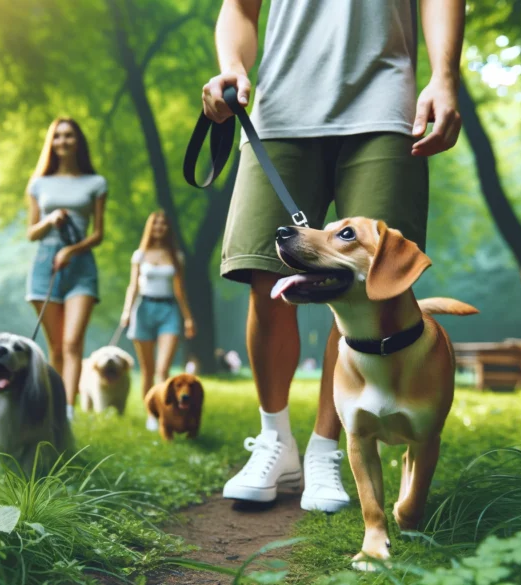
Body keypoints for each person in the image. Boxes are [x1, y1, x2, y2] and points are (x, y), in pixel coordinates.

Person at [202, 0, 465, 512]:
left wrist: (445, 77)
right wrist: (232, 64)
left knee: (368, 282)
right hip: (278, 112)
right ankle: (275, 440)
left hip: (387, 107)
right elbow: (240, 8)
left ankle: (327, 448)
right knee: (266, 277)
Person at [25, 118, 107, 421]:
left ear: (78, 141)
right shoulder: (38, 183)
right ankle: (54, 408)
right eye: (57, 136)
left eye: (69, 135)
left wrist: (71, 250)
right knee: (56, 347)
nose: (63, 141)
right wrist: (50, 219)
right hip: (45, 265)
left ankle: (68, 413)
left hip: (81, 266)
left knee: (73, 342)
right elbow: (31, 232)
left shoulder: (95, 183)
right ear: (52, 142)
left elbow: (98, 233)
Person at [119, 210, 196, 430]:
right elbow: (133, 286)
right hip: (143, 309)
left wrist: (188, 318)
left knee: (163, 370)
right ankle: (151, 414)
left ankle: (164, 415)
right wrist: (126, 312)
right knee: (148, 371)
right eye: (156, 224)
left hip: (169, 310)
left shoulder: (176, 256)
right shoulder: (140, 255)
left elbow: (180, 290)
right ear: (150, 227)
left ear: (168, 228)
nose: (159, 227)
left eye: (163, 224)